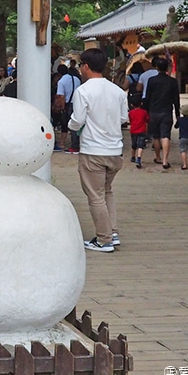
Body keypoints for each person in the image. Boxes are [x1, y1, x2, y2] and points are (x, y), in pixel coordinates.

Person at [68, 47, 128, 253]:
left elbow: (78, 120)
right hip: (115, 150)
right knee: (107, 191)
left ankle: (104, 239)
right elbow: (123, 119)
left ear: (85, 66)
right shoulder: (118, 91)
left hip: (93, 150)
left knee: (95, 196)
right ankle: (112, 231)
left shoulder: (83, 91)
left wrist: (71, 127)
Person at [142, 56, 180, 168]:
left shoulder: (152, 81)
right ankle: (165, 160)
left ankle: (158, 157)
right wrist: (178, 114)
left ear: (157, 67)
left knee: (156, 136)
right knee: (166, 136)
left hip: (154, 111)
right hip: (167, 111)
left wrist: (145, 111)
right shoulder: (172, 82)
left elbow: (147, 97)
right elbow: (176, 100)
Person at [53, 64, 82, 153]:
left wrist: (61, 107)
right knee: (78, 124)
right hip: (78, 103)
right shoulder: (76, 79)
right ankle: (79, 143)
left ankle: (74, 146)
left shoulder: (61, 81)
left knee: (69, 125)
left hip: (68, 105)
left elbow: (61, 96)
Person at [127, 96, 148, 168]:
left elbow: (130, 120)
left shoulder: (131, 113)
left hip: (133, 130)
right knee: (140, 145)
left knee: (133, 144)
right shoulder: (144, 112)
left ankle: (133, 157)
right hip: (142, 130)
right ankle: (138, 158)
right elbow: (147, 119)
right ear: (141, 103)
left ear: (131, 105)